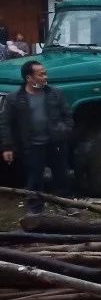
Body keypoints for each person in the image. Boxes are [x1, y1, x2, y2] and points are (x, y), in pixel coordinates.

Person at [0, 61, 75, 214]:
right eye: (41, 74)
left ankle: (66, 205)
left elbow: (67, 115)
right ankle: (35, 209)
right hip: (32, 145)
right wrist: (7, 147)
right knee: (34, 179)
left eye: (45, 73)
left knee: (62, 176)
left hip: (55, 143)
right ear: (29, 78)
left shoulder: (55, 93)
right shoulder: (14, 98)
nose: (45, 77)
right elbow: (5, 124)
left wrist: (65, 130)